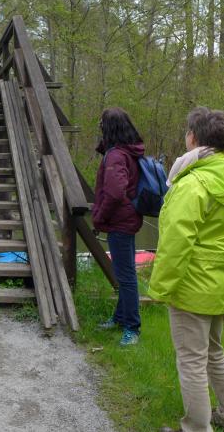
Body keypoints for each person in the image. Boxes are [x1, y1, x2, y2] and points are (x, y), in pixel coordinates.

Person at [151, 107, 224, 432]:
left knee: (191, 359)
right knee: (213, 351)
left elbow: (176, 242)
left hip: (193, 285)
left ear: (193, 137)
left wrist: (160, 287)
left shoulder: (193, 183)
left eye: (187, 131)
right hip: (221, 281)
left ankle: (196, 427)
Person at [91, 107, 145, 346]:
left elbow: (114, 192)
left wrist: (99, 217)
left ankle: (132, 328)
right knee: (125, 273)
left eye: (101, 124)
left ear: (109, 128)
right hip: (127, 218)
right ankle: (120, 317)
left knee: (126, 276)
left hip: (120, 222)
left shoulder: (115, 155)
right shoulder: (126, 152)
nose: (100, 128)